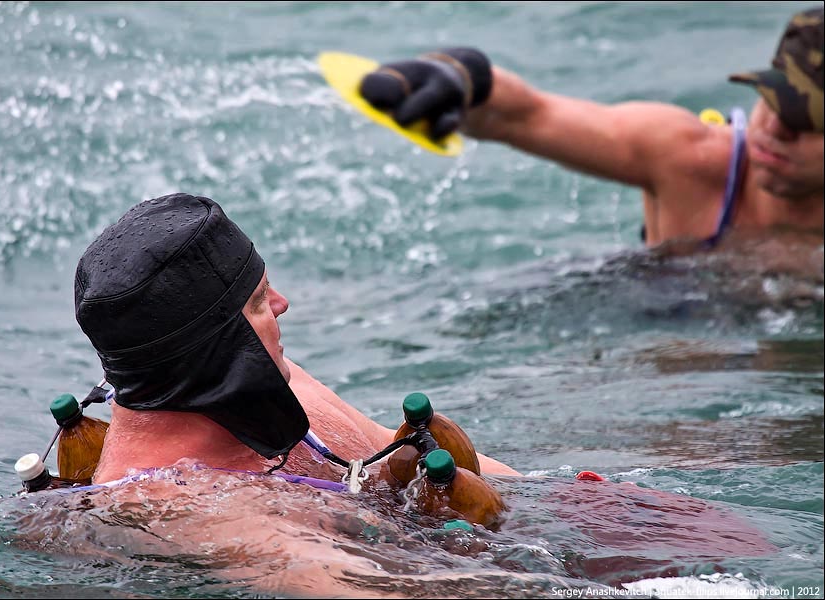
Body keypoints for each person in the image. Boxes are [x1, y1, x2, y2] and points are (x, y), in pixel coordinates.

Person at [76, 192, 520, 485]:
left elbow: (393, 447)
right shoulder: (182, 508)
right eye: (257, 301)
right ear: (214, 349)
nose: (282, 304)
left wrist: (559, 493)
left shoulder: (283, 387)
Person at [358, 7, 823, 249]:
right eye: (770, 99)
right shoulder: (693, 161)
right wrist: (461, 78)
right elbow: (527, 115)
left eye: (805, 122)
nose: (775, 127)